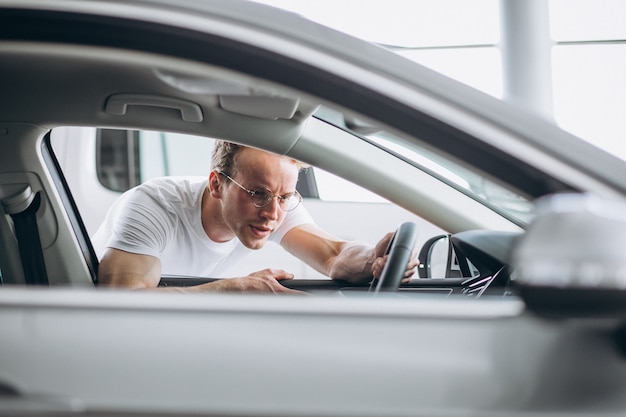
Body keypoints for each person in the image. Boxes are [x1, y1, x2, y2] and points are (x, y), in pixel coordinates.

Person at [92, 140, 419, 293]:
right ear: (217, 184)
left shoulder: (273, 205)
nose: (273, 214)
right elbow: (122, 304)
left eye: (285, 196)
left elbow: (334, 254)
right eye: (258, 194)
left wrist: (371, 260)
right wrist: (233, 289)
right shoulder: (153, 206)